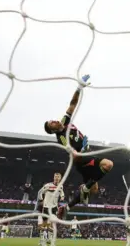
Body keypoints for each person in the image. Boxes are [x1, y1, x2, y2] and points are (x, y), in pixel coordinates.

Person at [43, 74, 114, 219]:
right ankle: (84, 188)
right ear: (53, 130)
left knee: (93, 189)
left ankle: (67, 206)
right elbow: (74, 155)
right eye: (52, 123)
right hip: (82, 161)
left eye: (52, 120)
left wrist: (79, 87)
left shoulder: (65, 120)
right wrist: (82, 149)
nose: (54, 121)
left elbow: (72, 103)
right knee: (108, 164)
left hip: (88, 156)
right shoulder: (61, 137)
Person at [37, 173, 65, 246]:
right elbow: (40, 192)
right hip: (46, 207)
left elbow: (62, 194)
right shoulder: (48, 185)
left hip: (54, 207)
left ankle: (50, 240)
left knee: (52, 224)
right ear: (53, 177)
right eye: (55, 177)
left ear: (60, 178)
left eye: (58, 177)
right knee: (44, 225)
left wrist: (62, 197)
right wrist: (41, 199)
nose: (56, 178)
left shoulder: (61, 186)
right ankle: (42, 240)